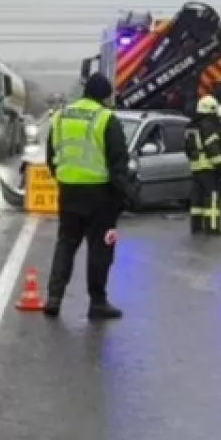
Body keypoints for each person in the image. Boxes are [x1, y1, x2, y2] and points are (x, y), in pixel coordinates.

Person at [42, 73, 129, 320]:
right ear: (105, 96)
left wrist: (62, 177)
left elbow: (51, 155)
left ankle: (54, 297)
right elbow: (118, 162)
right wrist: (123, 195)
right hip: (100, 194)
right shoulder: (106, 118)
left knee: (66, 243)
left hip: (69, 191)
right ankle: (98, 302)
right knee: (100, 248)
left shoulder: (61, 116)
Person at [184, 95, 221, 235]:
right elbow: (212, 146)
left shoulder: (191, 126)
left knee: (197, 198)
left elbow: (187, 148)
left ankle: (196, 226)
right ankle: (212, 227)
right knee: (212, 196)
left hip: (195, 166)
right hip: (208, 166)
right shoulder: (208, 125)